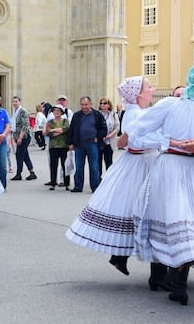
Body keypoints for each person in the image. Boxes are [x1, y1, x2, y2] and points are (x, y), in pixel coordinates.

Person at [127, 64, 194, 306]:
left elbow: (137, 132)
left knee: (167, 217)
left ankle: (167, 278)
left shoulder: (170, 104)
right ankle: (176, 281)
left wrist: (167, 141)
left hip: (172, 166)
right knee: (189, 221)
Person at [66, 77, 163, 284]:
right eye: (148, 87)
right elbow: (135, 141)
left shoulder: (139, 112)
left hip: (142, 162)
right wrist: (167, 140)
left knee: (134, 209)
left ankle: (122, 256)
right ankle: (153, 272)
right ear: (138, 93)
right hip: (141, 163)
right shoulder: (136, 114)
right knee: (148, 211)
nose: (152, 89)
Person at [67, 96, 107, 193]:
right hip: (79, 144)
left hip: (92, 144)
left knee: (94, 166)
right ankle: (78, 186)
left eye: (86, 104)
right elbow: (71, 130)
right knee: (79, 166)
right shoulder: (76, 115)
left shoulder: (97, 115)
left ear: (90, 104)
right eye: (82, 105)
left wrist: (98, 137)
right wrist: (70, 143)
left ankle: (95, 187)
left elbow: (104, 129)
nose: (84, 107)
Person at [9, 96, 36, 181]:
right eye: (13, 101)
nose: (14, 103)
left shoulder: (23, 111)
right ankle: (32, 172)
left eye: (16, 101)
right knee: (24, 154)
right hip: (17, 136)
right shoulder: (14, 111)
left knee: (19, 155)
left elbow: (25, 125)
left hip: (24, 136)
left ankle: (19, 173)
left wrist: (20, 137)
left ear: (19, 102)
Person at [45, 105, 70, 190]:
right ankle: (53, 183)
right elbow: (48, 132)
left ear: (61, 112)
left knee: (65, 165)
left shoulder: (65, 121)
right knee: (53, 165)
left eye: (58, 111)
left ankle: (67, 184)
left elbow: (66, 129)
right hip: (53, 146)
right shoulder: (50, 122)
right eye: (55, 110)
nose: (56, 112)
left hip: (64, 146)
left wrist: (54, 130)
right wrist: (60, 131)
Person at [97, 97, 119, 174]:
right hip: (99, 141)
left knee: (108, 162)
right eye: (101, 103)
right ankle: (98, 178)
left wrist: (108, 136)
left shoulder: (113, 114)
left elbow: (117, 128)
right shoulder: (97, 114)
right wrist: (100, 136)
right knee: (98, 162)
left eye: (104, 103)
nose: (102, 105)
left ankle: (109, 178)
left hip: (109, 141)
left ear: (108, 105)